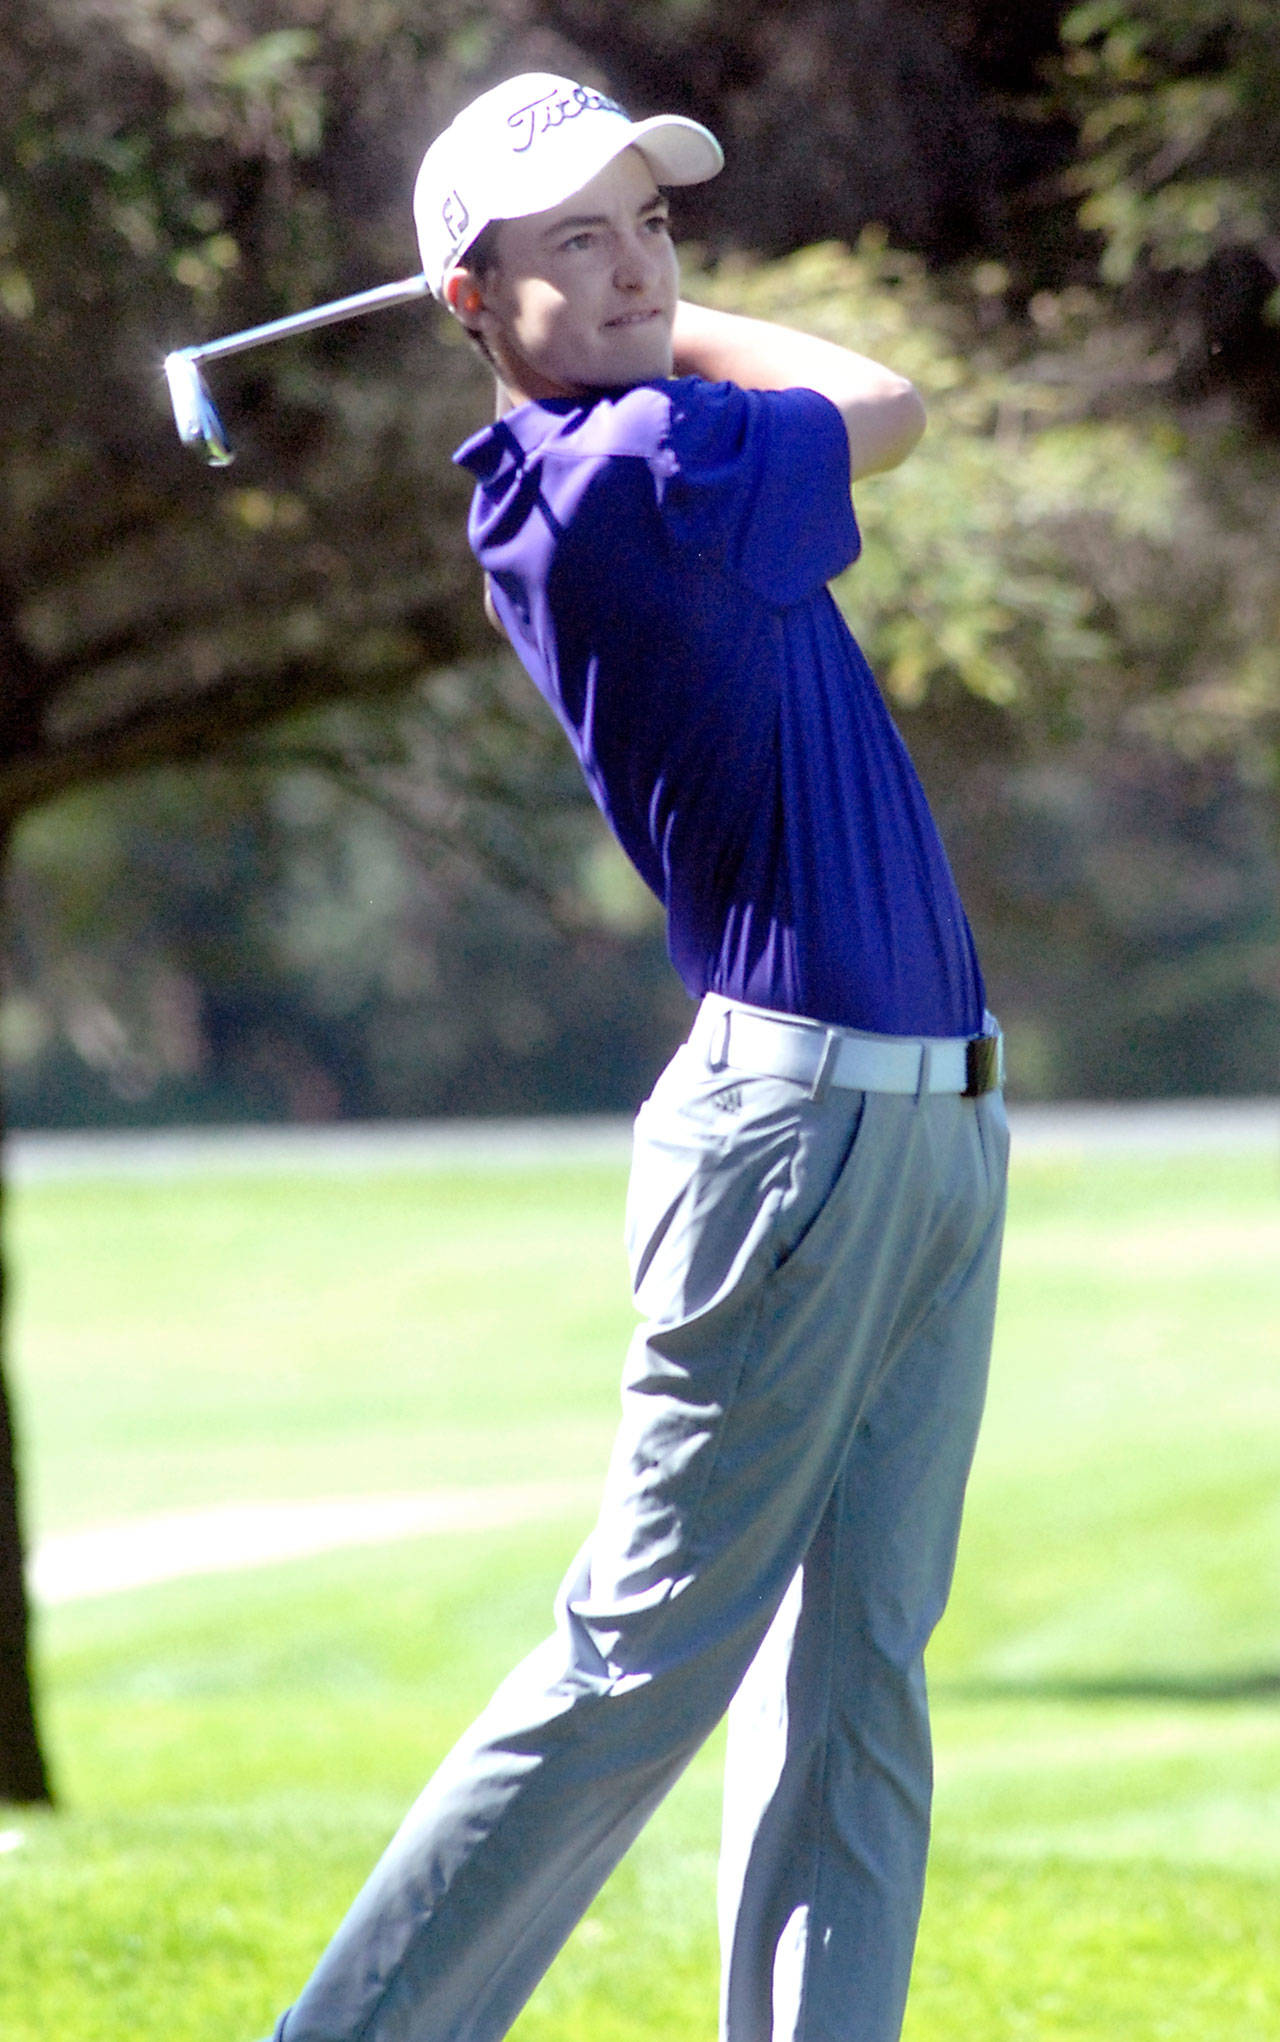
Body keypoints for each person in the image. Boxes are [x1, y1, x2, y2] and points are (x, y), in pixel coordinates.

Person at [262, 71, 1008, 2042]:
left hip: (923, 1129)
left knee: (859, 1673)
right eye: (570, 238)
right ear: (463, 295)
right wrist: (656, 328)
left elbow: (848, 401)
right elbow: (887, 396)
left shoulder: (628, 445)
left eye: (650, 228)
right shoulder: (629, 474)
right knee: (632, 1670)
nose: (627, 268)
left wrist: (608, 304)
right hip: (800, 1136)